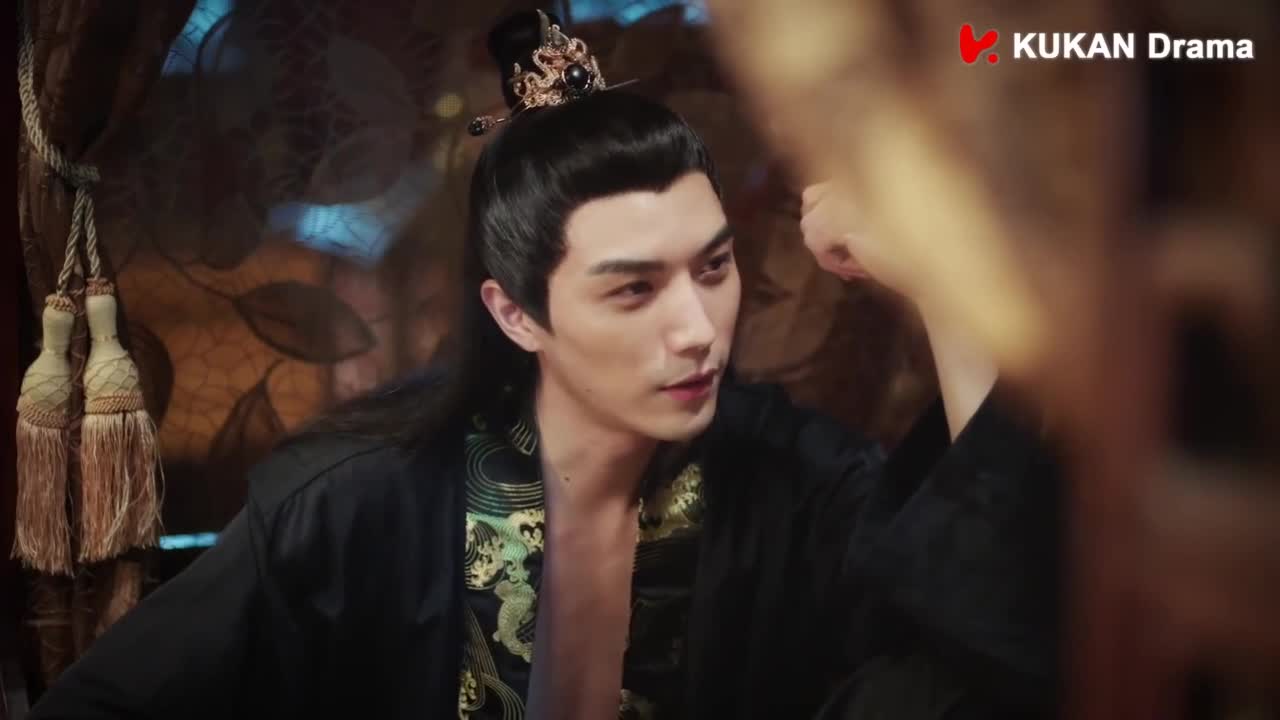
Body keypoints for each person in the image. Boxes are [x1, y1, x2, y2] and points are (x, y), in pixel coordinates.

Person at [29, 10, 1058, 720]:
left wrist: (947, 289)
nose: (697, 329)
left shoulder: (794, 481)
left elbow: (991, 635)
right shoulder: (351, 505)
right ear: (515, 313)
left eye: (713, 268)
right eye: (632, 289)